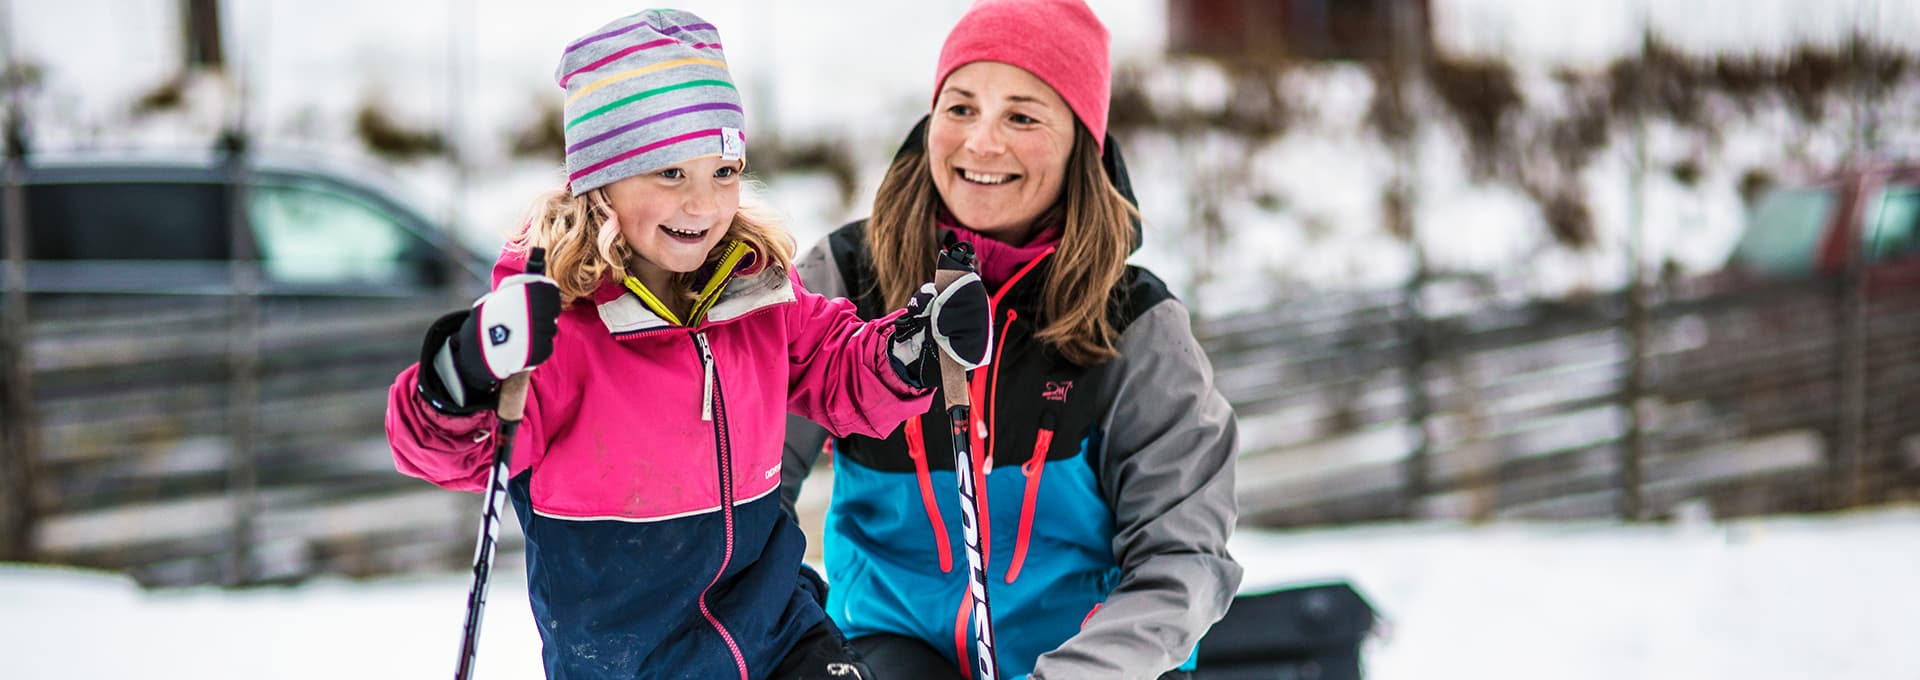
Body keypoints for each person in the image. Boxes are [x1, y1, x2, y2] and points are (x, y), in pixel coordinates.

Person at [385, 9, 990, 679]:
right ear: (600, 180)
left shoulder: (753, 287)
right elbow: (454, 452)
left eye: (724, 172)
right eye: (670, 173)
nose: (704, 206)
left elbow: (835, 363)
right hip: (632, 660)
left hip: (777, 632)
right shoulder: (557, 326)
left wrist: (909, 349)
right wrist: (461, 371)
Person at [781, 1, 1242, 678]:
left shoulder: (1136, 325)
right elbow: (739, 484)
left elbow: (1183, 555)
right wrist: (799, 637)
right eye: (960, 108)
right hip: (891, 647)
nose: (981, 143)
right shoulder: (847, 279)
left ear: (1079, 143)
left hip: (1092, 658)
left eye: (1022, 116)